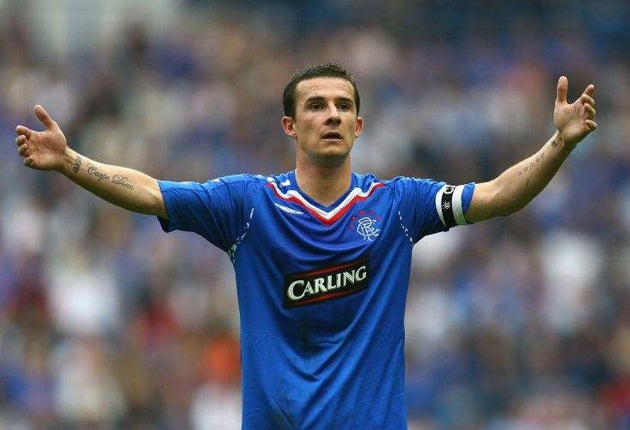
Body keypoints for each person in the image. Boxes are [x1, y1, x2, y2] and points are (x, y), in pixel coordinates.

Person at [14, 63, 597, 429]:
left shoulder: (398, 205)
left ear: (359, 126)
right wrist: (71, 162)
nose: (332, 115)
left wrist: (560, 144)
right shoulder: (248, 205)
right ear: (290, 126)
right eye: (316, 105)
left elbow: (496, 196)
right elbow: (150, 192)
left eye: (344, 106)